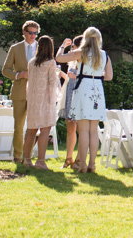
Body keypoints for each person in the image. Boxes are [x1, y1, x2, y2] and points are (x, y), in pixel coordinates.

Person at [56, 26, 113, 173]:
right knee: (93, 131)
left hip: (83, 90)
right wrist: (96, 74)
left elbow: (59, 58)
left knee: (83, 130)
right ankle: (92, 165)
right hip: (97, 91)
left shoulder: (81, 52)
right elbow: (109, 77)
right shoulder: (104, 55)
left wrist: (62, 47)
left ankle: (82, 165)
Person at [2, 20, 40, 162]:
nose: (32, 36)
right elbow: (5, 70)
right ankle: (17, 156)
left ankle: (28, 156)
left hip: (36, 91)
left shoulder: (41, 48)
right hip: (19, 91)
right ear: (24, 33)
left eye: (35, 33)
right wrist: (18, 75)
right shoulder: (15, 48)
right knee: (18, 127)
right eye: (30, 33)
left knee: (33, 126)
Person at [23, 36, 59, 170]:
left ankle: (26, 159)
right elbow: (52, 82)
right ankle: (40, 161)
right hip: (45, 100)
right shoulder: (50, 62)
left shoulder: (32, 62)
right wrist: (53, 99)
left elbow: (29, 82)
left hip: (32, 100)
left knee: (31, 130)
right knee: (45, 130)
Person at [57, 35, 83, 168]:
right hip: (69, 96)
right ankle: (68, 158)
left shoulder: (84, 60)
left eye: (73, 46)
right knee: (70, 128)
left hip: (78, 97)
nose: (71, 48)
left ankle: (79, 159)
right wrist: (61, 74)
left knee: (80, 129)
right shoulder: (73, 62)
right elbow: (69, 78)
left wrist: (62, 47)